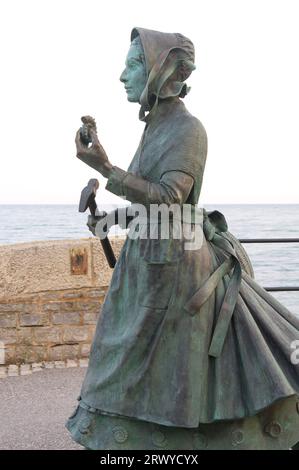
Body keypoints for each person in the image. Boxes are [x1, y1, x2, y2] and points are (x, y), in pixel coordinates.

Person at [66, 27, 299, 450]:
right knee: (132, 365)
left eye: (133, 65)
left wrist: (106, 168)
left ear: (160, 71)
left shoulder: (189, 129)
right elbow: (146, 200)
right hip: (151, 261)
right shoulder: (155, 128)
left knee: (167, 371)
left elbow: (169, 198)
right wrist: (108, 220)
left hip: (177, 267)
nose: (123, 75)